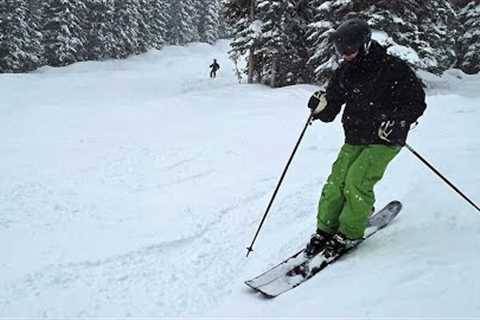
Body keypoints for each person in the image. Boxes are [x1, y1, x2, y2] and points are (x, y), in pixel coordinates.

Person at [305, 18, 426, 258]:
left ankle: (349, 233)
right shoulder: (345, 72)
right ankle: (326, 229)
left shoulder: (392, 68)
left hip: (385, 137)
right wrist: (321, 107)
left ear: (366, 44)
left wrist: (397, 121)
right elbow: (332, 108)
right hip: (356, 135)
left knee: (356, 181)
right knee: (336, 182)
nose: (345, 55)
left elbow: (416, 103)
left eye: (349, 50)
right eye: (341, 51)